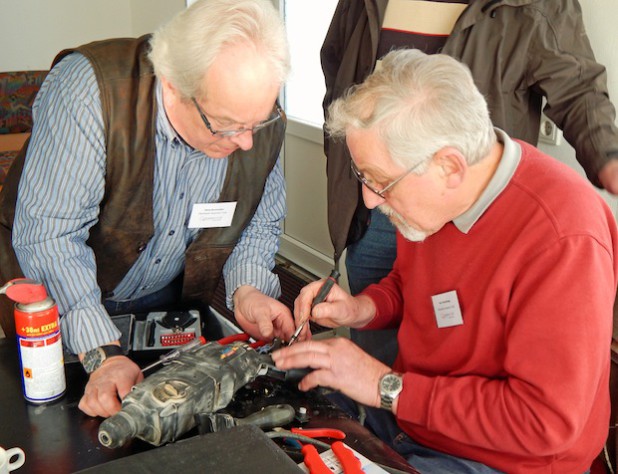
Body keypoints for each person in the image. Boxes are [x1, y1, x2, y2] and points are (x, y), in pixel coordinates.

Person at [273, 49, 618, 473]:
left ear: (450, 166)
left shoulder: (565, 237)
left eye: (381, 182)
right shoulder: (443, 189)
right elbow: (414, 282)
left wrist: (384, 386)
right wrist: (363, 307)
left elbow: (543, 423)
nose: (369, 200)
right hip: (413, 421)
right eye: (365, 178)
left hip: (501, 459)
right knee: (272, 411)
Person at [0, 0, 296, 418]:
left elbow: (259, 221)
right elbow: (50, 235)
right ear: (173, 85)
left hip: (167, 296)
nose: (247, 142)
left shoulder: (252, 117)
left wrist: (247, 288)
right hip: (61, 302)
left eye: (258, 122)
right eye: (227, 125)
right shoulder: (91, 90)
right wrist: (101, 352)